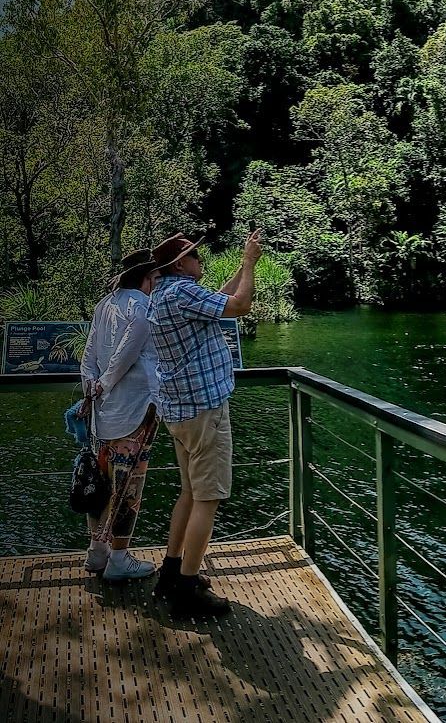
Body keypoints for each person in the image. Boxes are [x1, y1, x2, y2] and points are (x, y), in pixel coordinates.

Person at [147, 230, 260, 618]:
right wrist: (250, 264)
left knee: (189, 493)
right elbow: (240, 305)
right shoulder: (183, 293)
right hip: (204, 411)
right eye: (195, 255)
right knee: (207, 498)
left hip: (180, 412)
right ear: (180, 264)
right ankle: (187, 589)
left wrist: (240, 267)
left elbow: (220, 301)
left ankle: (171, 570)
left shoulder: (165, 293)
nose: (201, 259)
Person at [78, 248, 163, 581]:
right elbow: (129, 350)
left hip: (104, 410)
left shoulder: (106, 303)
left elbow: (89, 352)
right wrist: (105, 383)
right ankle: (118, 557)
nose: (158, 283)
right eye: (156, 277)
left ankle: (96, 552)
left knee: (101, 480)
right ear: (145, 278)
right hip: (136, 406)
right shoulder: (142, 307)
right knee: (129, 484)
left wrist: (91, 385)